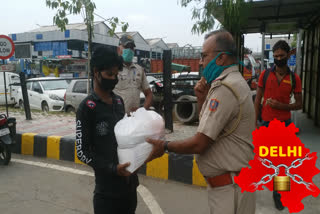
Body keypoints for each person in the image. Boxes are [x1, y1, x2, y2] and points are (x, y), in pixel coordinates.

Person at [146, 30, 256, 214]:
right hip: (229, 187)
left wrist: (164, 146)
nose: (200, 62)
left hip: (230, 190)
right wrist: (201, 98)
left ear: (221, 58)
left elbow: (200, 143)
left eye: (204, 56)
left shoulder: (225, 88)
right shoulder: (230, 83)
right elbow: (210, 127)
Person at [76, 47, 138, 214]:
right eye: (110, 75)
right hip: (107, 195)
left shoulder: (118, 101)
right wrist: (112, 168)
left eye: (116, 75)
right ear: (96, 72)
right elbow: (82, 152)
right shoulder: (87, 107)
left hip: (130, 188)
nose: (114, 79)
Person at [254, 40, 302, 210]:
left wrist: (282, 106)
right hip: (266, 124)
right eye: (275, 56)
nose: (278, 59)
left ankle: (279, 195)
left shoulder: (294, 78)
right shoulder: (265, 75)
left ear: (288, 55)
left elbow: (299, 104)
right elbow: (257, 100)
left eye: (281, 56)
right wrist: (254, 122)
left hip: (284, 125)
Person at [113, 34, 153, 114]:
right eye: (126, 47)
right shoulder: (113, 69)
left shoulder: (139, 70)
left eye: (131, 47)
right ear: (118, 49)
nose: (129, 50)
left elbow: (149, 94)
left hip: (134, 120)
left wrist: (142, 112)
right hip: (117, 119)